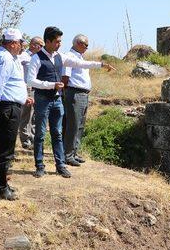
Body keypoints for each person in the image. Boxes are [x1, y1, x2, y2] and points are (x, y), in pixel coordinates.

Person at [27, 26, 114, 178]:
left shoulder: (60, 56)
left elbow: (80, 63)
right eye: (57, 41)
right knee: (40, 134)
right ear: (48, 41)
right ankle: (39, 166)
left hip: (56, 99)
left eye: (60, 41)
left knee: (58, 133)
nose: (59, 44)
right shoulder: (36, 58)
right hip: (42, 99)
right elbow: (30, 81)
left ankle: (60, 165)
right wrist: (51, 85)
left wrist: (101, 64)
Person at [0, 28, 34, 201]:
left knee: (7, 149)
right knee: (4, 151)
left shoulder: (9, 56)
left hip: (11, 106)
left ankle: (3, 184)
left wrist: (23, 98)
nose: (23, 46)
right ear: (13, 43)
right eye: (21, 42)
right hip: (6, 108)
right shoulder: (5, 58)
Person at [62, 34, 93, 166]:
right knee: (72, 124)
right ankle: (67, 154)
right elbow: (65, 77)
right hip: (74, 92)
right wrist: (65, 92)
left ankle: (73, 152)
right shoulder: (70, 56)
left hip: (83, 94)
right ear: (77, 43)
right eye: (85, 44)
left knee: (80, 125)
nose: (87, 47)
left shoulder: (80, 57)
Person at [17, 36, 44, 149]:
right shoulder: (23, 56)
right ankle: (25, 139)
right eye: (40, 46)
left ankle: (33, 138)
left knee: (34, 116)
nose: (42, 48)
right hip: (26, 88)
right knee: (26, 115)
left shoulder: (38, 57)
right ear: (34, 45)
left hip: (36, 89)